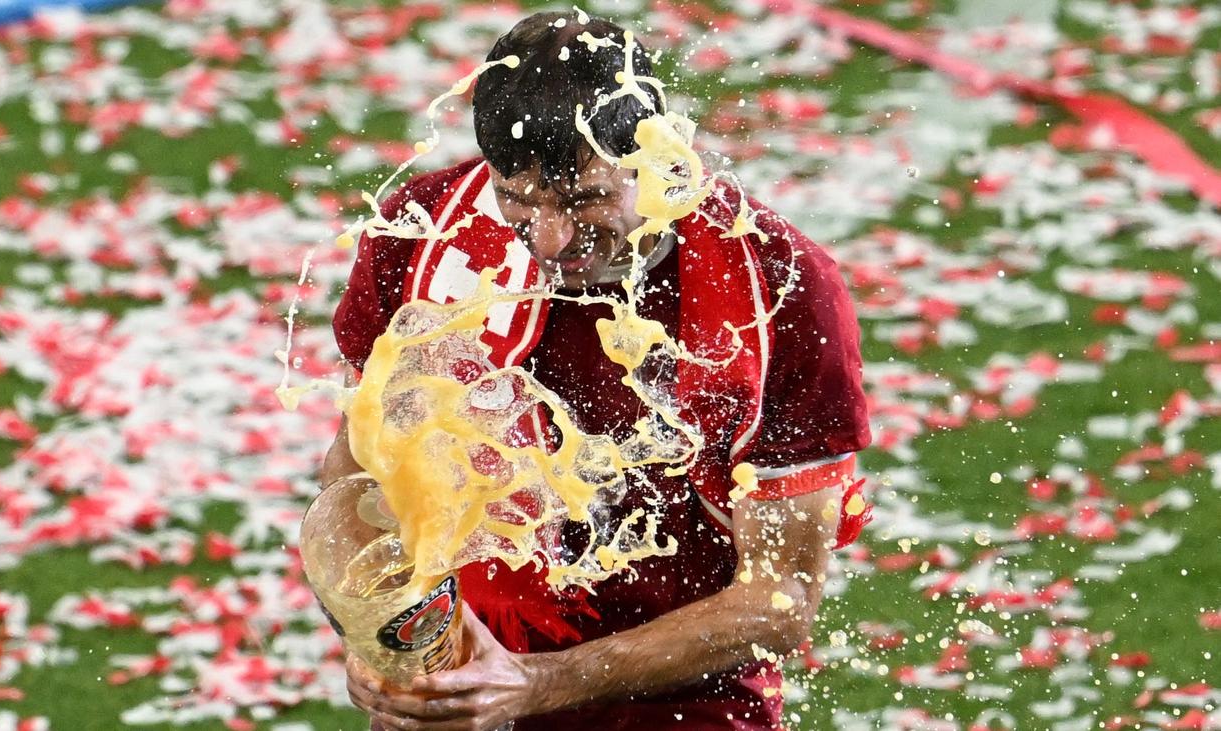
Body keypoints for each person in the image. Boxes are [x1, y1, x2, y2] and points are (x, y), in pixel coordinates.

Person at [321, 11, 871, 731]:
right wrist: (382, 633)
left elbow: (780, 599)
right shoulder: (422, 229)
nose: (551, 239)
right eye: (519, 200)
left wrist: (535, 684)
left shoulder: (780, 288)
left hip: (683, 704)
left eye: (586, 200)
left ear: (657, 155)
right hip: (461, 678)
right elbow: (357, 470)